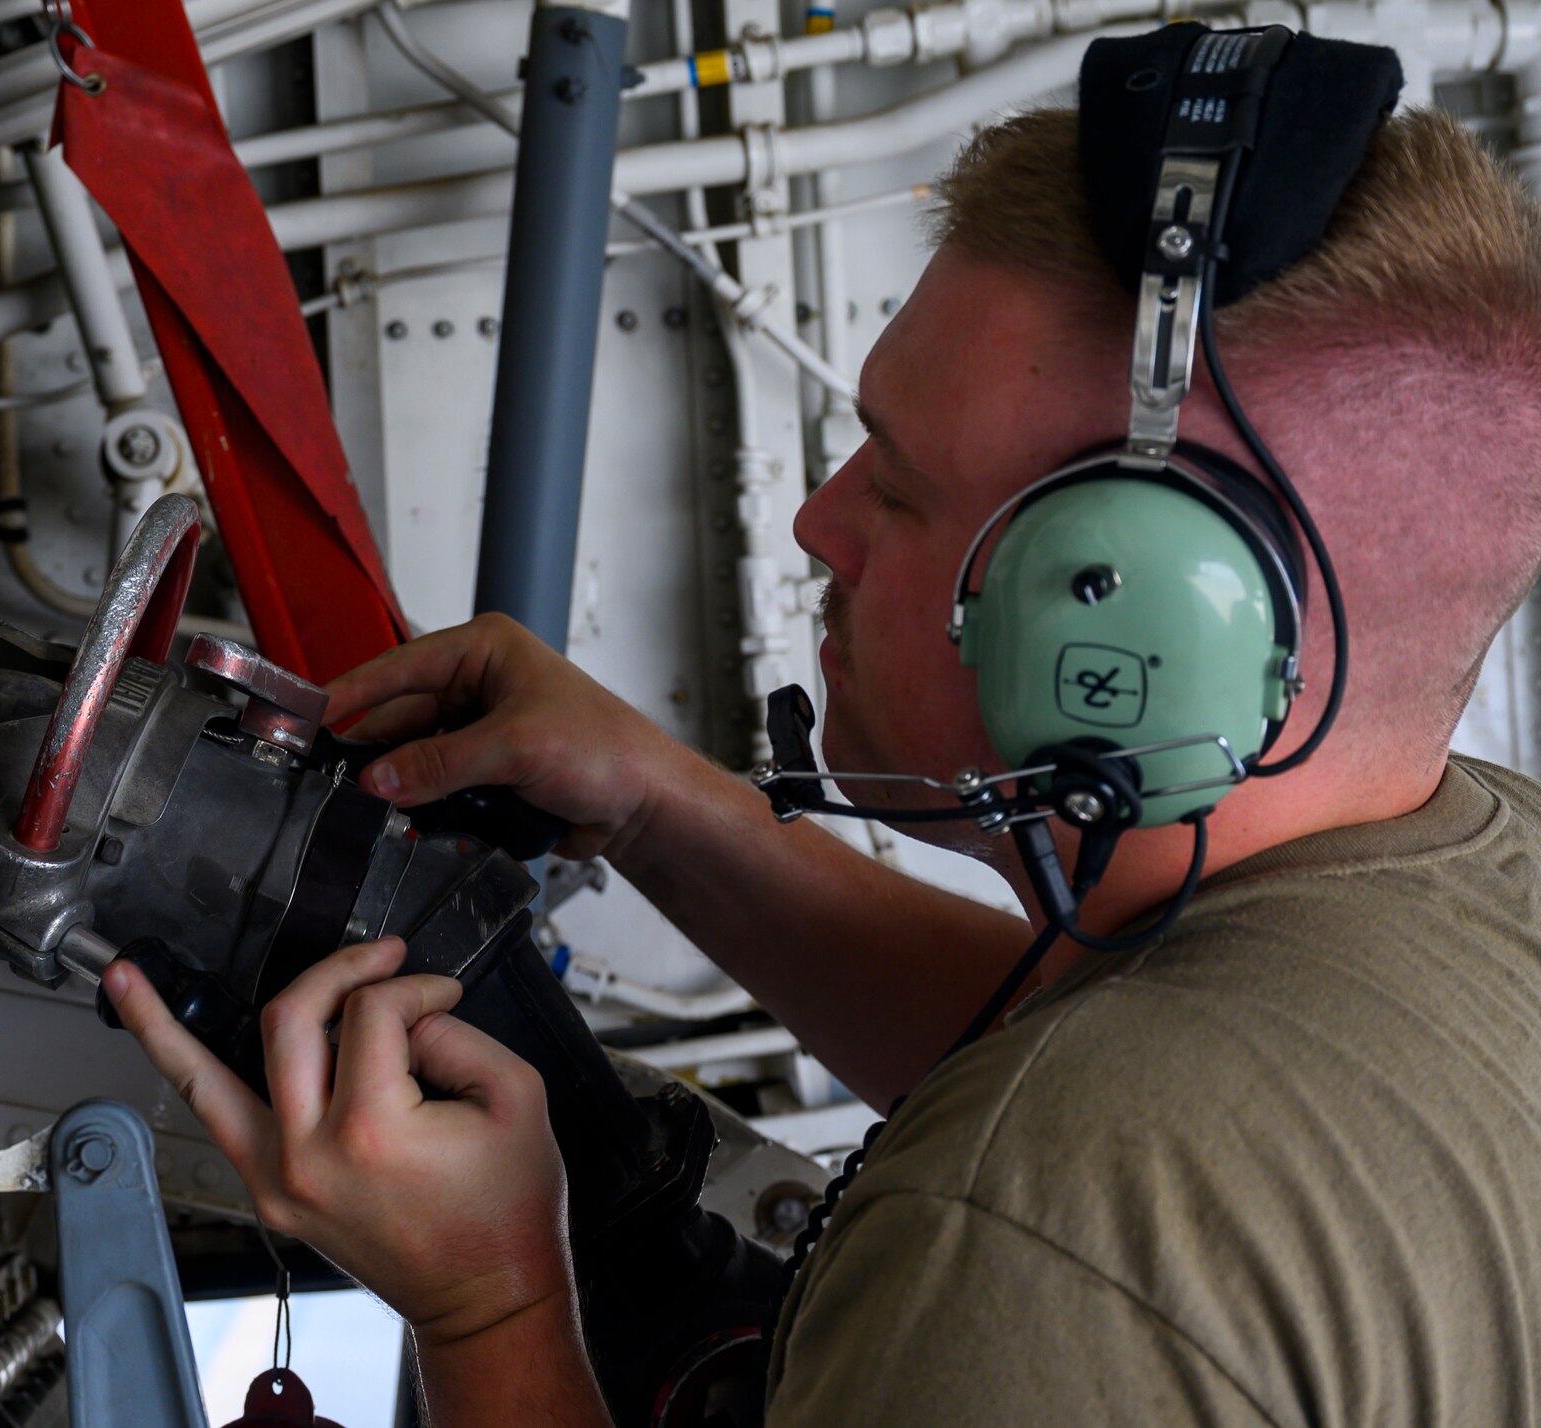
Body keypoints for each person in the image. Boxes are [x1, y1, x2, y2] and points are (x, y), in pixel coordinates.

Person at [102, 98, 1541, 1425]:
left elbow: (1091, 1159)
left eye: (900, 489)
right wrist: (671, 811)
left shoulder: (1040, 1262)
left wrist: (490, 1306)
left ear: (1152, 626)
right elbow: (1123, 1035)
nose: (817, 524)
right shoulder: (1475, 874)